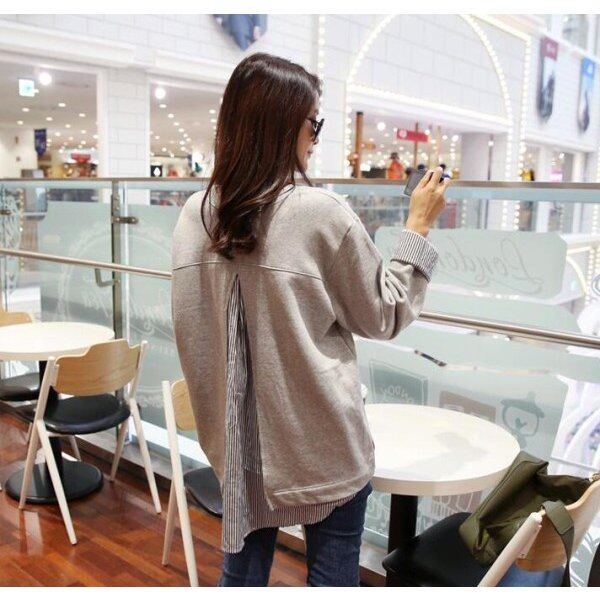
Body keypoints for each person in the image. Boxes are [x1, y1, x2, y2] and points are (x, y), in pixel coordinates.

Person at [171, 53, 447, 587]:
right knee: (332, 580)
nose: (315, 137)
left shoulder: (194, 215)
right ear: (283, 125)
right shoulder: (319, 213)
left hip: (237, 446)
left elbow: (191, 332)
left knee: (241, 579)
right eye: (312, 123)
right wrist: (417, 225)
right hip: (322, 447)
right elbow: (385, 313)